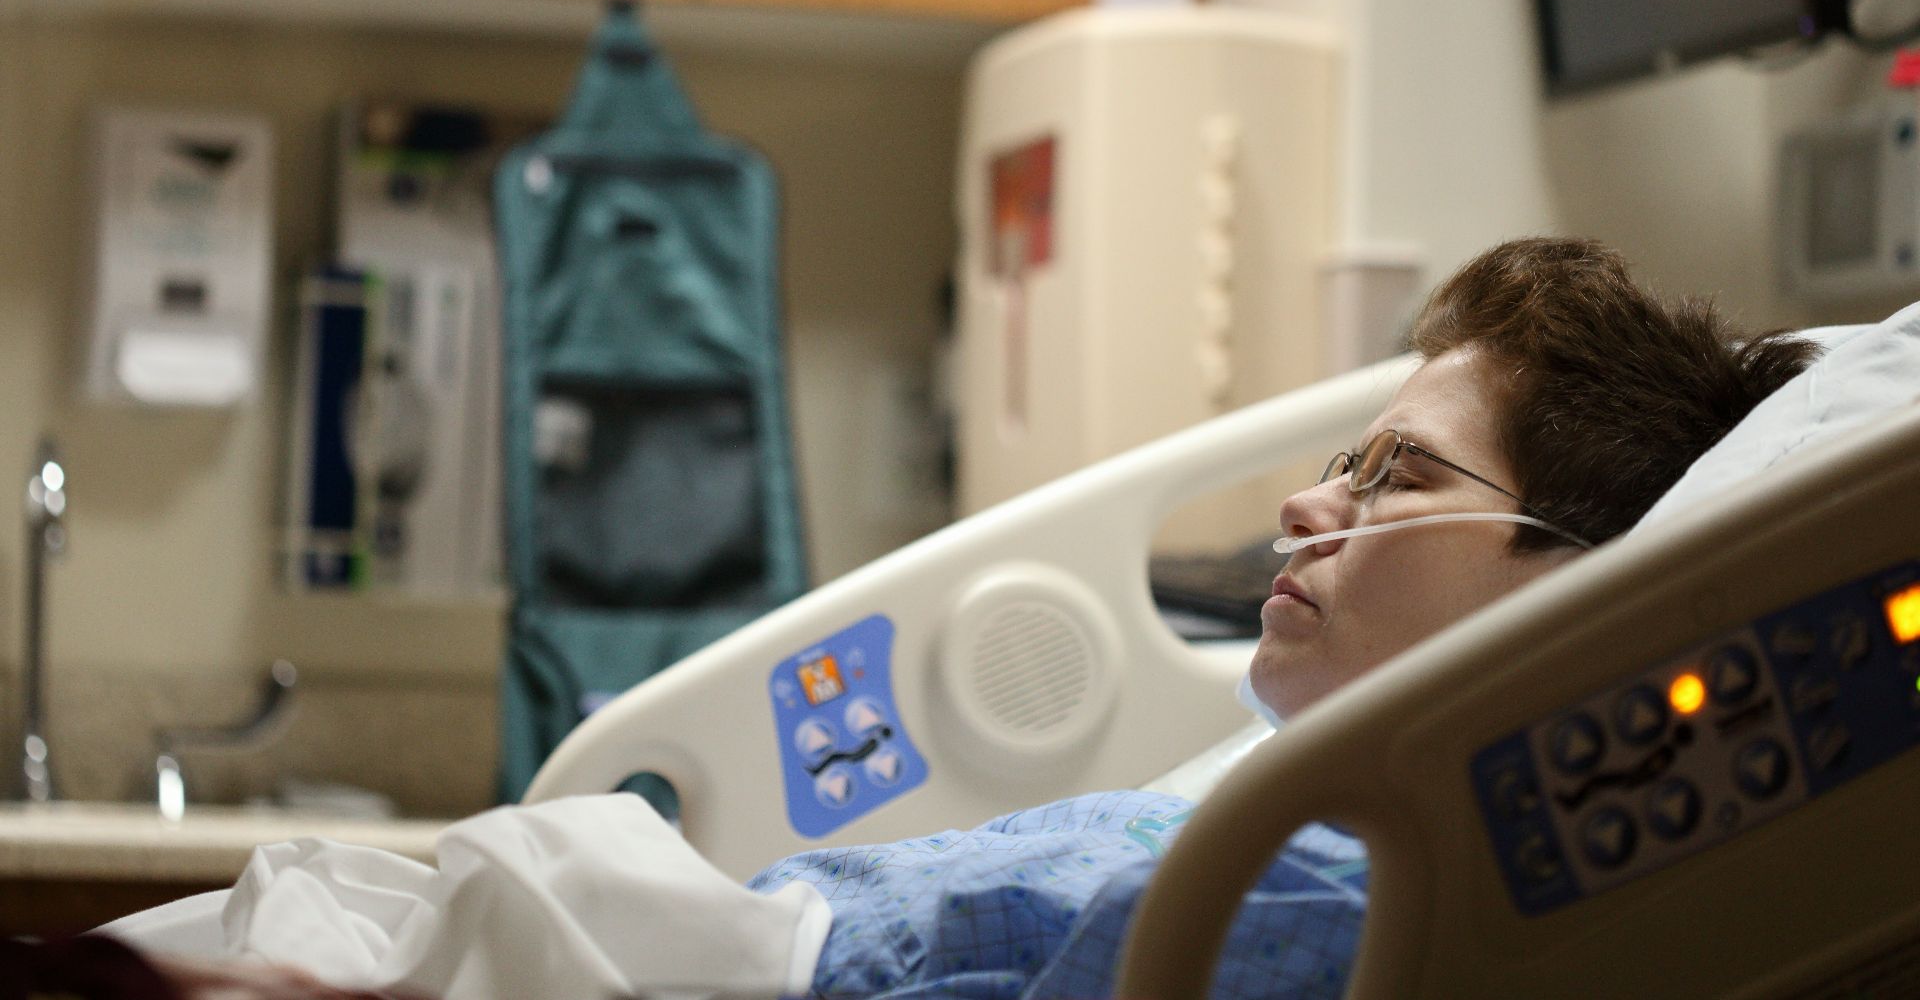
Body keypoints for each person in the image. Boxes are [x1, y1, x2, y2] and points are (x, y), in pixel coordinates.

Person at [57, 237, 1820, 999]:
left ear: (1581, 578)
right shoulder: (1272, 801)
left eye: (1398, 479)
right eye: (1341, 463)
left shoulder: (1366, 888)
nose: (1310, 504)